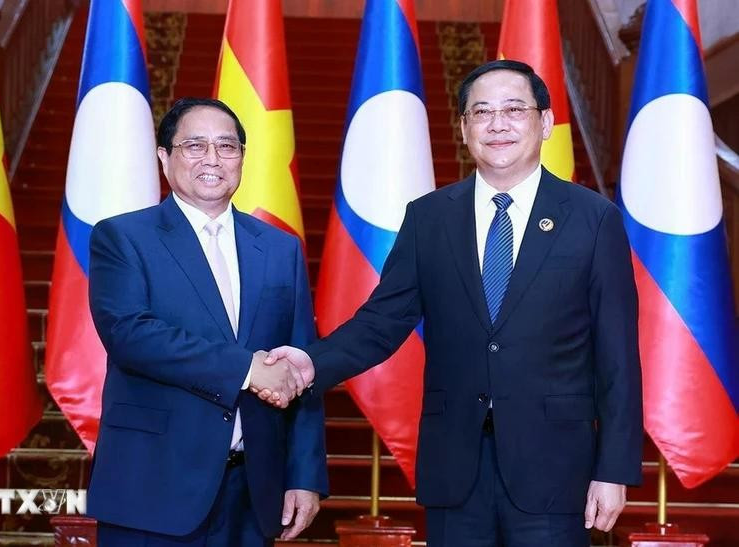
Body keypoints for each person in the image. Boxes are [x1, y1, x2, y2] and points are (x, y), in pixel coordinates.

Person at [265, 60, 643, 546]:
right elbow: (382, 322)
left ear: (545, 122)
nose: (498, 124)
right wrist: (309, 362)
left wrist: (613, 469)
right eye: (481, 112)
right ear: (464, 127)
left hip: (555, 469)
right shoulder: (429, 218)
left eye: (514, 109)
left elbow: (618, 358)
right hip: (455, 468)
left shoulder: (594, 220)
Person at [86, 97, 328, 546]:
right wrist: (248, 368)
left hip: (253, 491)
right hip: (153, 486)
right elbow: (130, 335)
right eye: (195, 145)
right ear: (164, 157)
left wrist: (305, 474)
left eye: (227, 146)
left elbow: (300, 365)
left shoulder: (280, 249)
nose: (213, 159)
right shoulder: (122, 237)